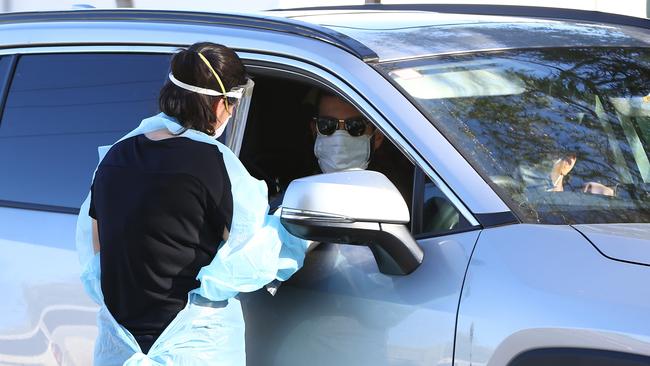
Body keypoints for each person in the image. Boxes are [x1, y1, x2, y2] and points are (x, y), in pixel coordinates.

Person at [76, 42, 308, 365]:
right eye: (232, 105)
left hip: (118, 350)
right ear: (218, 106)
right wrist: (298, 233)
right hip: (195, 349)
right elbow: (250, 257)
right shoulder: (220, 166)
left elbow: (96, 253)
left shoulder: (115, 158)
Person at [309, 92, 414, 205]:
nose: (340, 139)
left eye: (355, 126)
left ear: (378, 137)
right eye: (327, 125)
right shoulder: (296, 197)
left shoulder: (394, 199)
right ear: (314, 130)